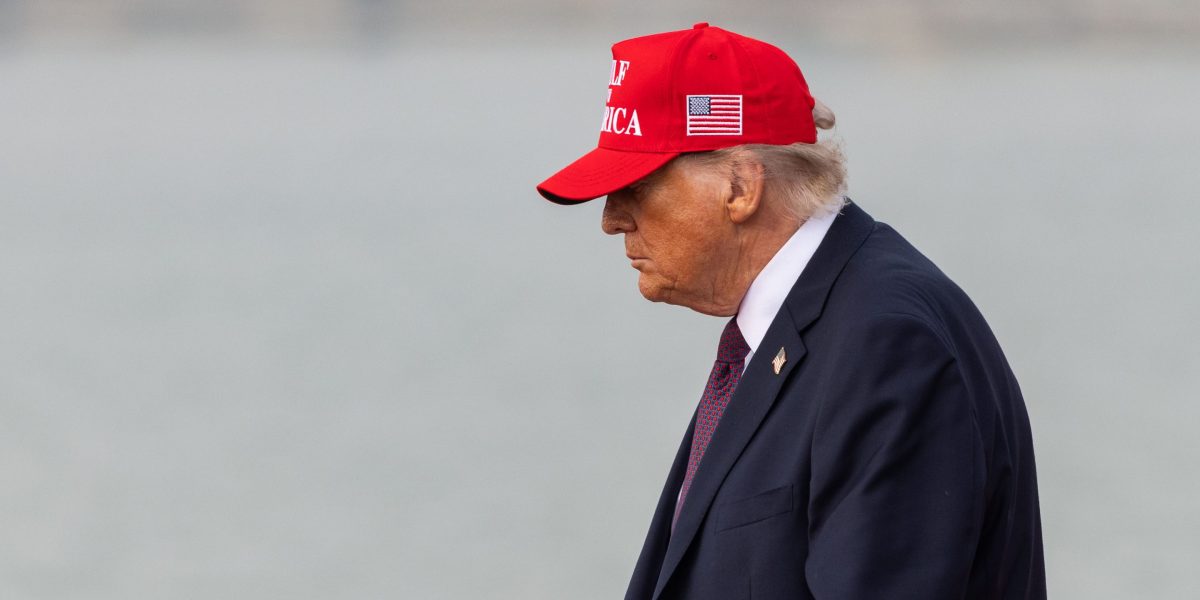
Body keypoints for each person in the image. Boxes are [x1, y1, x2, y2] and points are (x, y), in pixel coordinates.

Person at [536, 23, 1046, 600]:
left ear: (740, 187)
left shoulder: (885, 345)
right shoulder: (812, 323)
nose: (612, 220)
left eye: (637, 187)